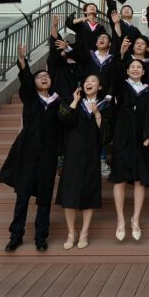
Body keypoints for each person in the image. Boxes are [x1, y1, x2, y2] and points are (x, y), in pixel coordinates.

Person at [0, 43, 61, 252]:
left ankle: (41, 237)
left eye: (47, 77)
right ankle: (16, 235)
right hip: (28, 153)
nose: (44, 78)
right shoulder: (31, 99)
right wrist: (23, 63)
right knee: (23, 195)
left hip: (48, 155)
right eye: (39, 77)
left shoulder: (56, 102)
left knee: (44, 196)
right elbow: (25, 83)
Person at [56, 71, 109, 249]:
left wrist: (96, 113)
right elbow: (62, 118)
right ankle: (71, 233)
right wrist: (75, 101)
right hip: (72, 155)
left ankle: (85, 232)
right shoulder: (72, 102)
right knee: (69, 193)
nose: (89, 83)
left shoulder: (104, 105)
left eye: (93, 81)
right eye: (86, 80)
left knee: (89, 192)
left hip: (91, 155)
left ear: (99, 87)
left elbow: (106, 135)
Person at [109, 56, 149, 243]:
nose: (136, 69)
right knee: (120, 179)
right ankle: (121, 219)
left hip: (140, 139)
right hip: (122, 137)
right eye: (132, 67)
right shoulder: (121, 87)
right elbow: (114, 73)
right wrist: (121, 55)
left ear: (144, 72)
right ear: (127, 71)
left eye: (139, 67)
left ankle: (135, 219)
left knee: (140, 180)